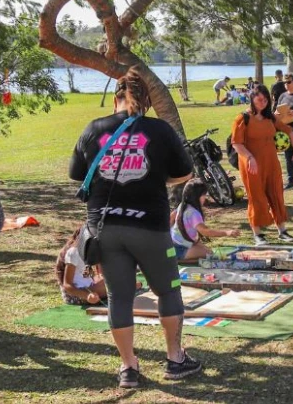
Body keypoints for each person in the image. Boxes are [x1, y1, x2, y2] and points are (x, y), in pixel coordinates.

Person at [69, 68, 201, 388]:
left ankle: (129, 367)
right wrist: (158, 179)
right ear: (146, 101)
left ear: (116, 98)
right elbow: (185, 172)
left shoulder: (94, 128)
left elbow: (77, 175)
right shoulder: (160, 130)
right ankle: (174, 359)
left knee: (119, 297)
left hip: (106, 228)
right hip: (150, 226)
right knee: (168, 290)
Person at [231, 86, 293, 245]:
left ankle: (282, 231)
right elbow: (236, 143)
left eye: (265, 100)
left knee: (276, 194)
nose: (262, 103)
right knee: (256, 197)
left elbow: (289, 131)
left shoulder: (271, 117)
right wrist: (249, 157)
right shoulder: (243, 118)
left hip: (271, 163)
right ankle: (258, 234)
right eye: (259, 100)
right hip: (251, 165)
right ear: (252, 99)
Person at [171, 182, 240, 261]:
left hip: (173, 245)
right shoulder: (194, 213)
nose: (205, 198)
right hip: (181, 249)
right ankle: (180, 259)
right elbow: (205, 231)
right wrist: (227, 232)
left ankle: (177, 256)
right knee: (210, 255)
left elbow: (171, 218)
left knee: (208, 250)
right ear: (197, 196)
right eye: (204, 195)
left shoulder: (182, 205)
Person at [57, 226, 108, 306]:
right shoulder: (74, 253)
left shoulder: (92, 252)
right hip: (75, 294)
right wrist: (87, 296)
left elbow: (88, 275)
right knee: (113, 284)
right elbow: (67, 285)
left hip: (89, 289)